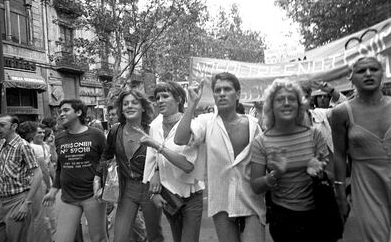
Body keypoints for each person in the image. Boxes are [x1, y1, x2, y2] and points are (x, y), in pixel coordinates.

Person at [174, 72, 265, 242]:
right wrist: (192, 104)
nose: (222, 93)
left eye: (227, 89)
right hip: (221, 204)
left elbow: (262, 161)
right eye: (217, 90)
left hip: (251, 201)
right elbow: (180, 139)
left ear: (237, 94)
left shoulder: (253, 125)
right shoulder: (206, 122)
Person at [250, 78, 331, 242]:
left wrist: (319, 172)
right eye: (280, 99)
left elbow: (332, 174)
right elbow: (256, 186)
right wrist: (276, 174)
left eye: (292, 99)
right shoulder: (261, 141)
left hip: (317, 215)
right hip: (282, 219)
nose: (286, 103)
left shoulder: (314, 134)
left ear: (299, 105)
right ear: (271, 106)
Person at [331, 55, 391, 241]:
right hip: (367, 187)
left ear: (383, 74)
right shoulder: (341, 113)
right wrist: (340, 194)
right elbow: (340, 155)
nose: (368, 74)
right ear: (351, 77)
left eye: (374, 69)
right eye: (361, 71)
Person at [95, 89, 164, 242]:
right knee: (119, 237)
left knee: (154, 236)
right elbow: (106, 155)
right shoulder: (115, 130)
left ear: (143, 107)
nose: (129, 106)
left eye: (134, 103)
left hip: (150, 189)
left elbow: (161, 157)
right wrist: (97, 178)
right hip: (127, 189)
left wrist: (158, 174)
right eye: (125, 104)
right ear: (121, 108)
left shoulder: (153, 130)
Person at [141, 81, 205, 242]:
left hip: (191, 196)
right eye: (157, 97)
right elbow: (152, 159)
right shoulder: (154, 126)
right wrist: (153, 190)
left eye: (165, 96)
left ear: (178, 99)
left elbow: (187, 165)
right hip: (169, 196)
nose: (160, 101)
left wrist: (158, 146)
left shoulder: (194, 125)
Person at [42, 98, 107, 242]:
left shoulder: (96, 135)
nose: (61, 114)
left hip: (93, 195)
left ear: (78, 112)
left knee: (98, 238)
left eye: (66, 110)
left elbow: (106, 161)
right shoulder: (60, 138)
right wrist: (54, 189)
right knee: (62, 239)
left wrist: (104, 185)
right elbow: (60, 166)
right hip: (68, 196)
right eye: (60, 111)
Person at [0, 114, 42, 242]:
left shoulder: (23, 146)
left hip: (18, 200)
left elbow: (38, 174)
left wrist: (26, 203)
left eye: (2, 125)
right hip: (2, 202)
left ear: (14, 126)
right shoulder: (1, 148)